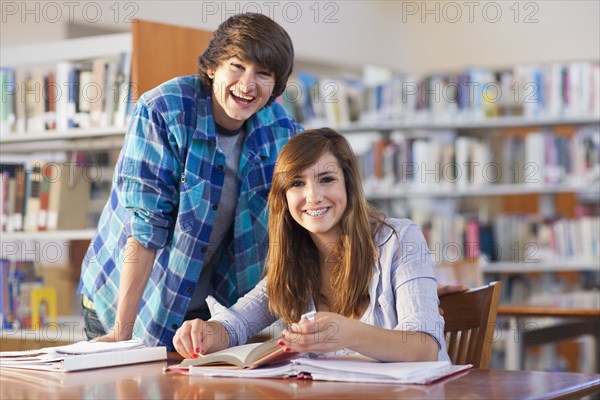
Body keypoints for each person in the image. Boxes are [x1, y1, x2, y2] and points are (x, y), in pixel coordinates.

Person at [77, 13, 301, 350]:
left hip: (207, 307)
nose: (248, 84)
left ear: (275, 87)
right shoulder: (163, 110)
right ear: (213, 68)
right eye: (237, 66)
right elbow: (146, 228)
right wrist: (122, 335)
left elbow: (293, 226)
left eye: (263, 74)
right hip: (130, 301)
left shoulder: (282, 130)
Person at [173, 128, 452, 363]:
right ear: (284, 196)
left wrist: (345, 332)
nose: (313, 196)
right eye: (297, 183)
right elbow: (238, 323)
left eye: (326, 179)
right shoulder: (294, 259)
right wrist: (207, 332)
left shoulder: (400, 240)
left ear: (349, 185)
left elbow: (423, 348)